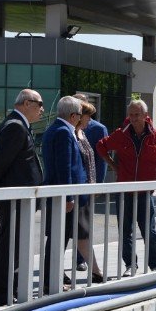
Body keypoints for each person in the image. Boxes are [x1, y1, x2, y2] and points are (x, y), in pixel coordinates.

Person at [96, 99, 156, 275]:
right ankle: (131, 264)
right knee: (125, 231)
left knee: (150, 231)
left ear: (145, 116)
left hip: (145, 192)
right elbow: (101, 146)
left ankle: (154, 264)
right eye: (131, 114)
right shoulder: (121, 134)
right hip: (124, 191)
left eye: (137, 115)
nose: (134, 118)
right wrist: (114, 166)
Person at [0, 89, 44, 306]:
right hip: (13, 200)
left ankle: (12, 289)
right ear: (27, 103)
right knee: (9, 245)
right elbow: (1, 163)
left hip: (20, 199)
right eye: (39, 104)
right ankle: (2, 293)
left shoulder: (20, 125)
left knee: (17, 245)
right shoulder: (15, 126)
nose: (42, 109)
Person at [40, 96, 89, 293]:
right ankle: (52, 280)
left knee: (58, 239)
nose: (80, 120)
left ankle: (53, 278)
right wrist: (68, 197)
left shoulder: (54, 129)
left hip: (60, 195)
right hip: (63, 197)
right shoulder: (63, 132)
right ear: (73, 115)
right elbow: (64, 167)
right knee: (58, 239)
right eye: (79, 116)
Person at [73, 93, 108, 271]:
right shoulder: (69, 128)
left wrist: (97, 184)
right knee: (68, 225)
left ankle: (80, 259)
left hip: (89, 184)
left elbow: (100, 160)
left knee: (84, 225)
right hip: (74, 185)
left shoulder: (98, 128)